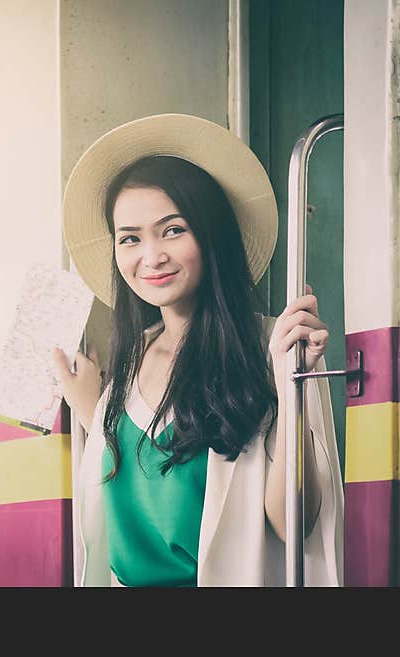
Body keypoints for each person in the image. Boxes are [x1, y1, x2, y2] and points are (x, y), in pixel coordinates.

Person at [53, 114, 344, 587]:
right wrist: (92, 406)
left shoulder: (271, 347)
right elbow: (142, 477)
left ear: (210, 235)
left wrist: (293, 385)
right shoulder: (126, 368)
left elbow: (294, 523)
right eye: (130, 238)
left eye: (172, 230)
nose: (151, 256)